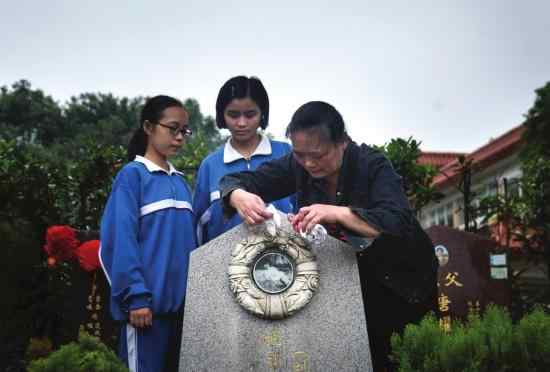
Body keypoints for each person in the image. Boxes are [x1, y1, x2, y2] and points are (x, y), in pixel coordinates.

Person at [220, 101, 438, 372]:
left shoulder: (372, 165)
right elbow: (236, 181)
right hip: (350, 285)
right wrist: (238, 196)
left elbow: (395, 222)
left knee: (401, 360)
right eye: (300, 155)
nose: (309, 163)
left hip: (404, 284)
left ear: (342, 142)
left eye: (318, 154)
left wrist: (336, 213)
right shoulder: (298, 164)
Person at [99, 95, 196, 372]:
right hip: (145, 314)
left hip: (181, 316)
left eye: (184, 131)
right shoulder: (133, 176)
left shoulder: (181, 182)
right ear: (148, 127)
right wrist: (136, 298)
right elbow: (119, 241)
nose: (179, 137)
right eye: (172, 128)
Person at [193, 75, 295, 244]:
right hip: (225, 266)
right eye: (233, 115)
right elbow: (198, 227)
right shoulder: (210, 165)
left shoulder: (286, 153)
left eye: (250, 114)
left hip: (285, 263)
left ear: (262, 114)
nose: (241, 123)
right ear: (221, 115)